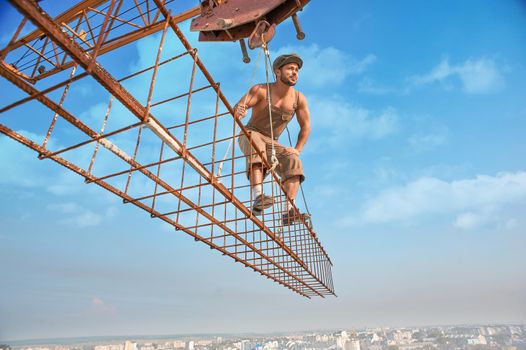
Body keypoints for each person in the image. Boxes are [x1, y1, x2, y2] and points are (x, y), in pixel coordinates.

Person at [234, 53, 311, 225]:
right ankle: (258, 197)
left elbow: (305, 127)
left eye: (297, 70)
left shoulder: (299, 99)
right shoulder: (261, 90)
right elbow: (239, 107)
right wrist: (239, 110)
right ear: (277, 71)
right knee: (256, 142)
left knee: (293, 160)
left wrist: (297, 149)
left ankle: (289, 211)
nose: (294, 72)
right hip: (250, 134)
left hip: (272, 142)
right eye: (290, 68)